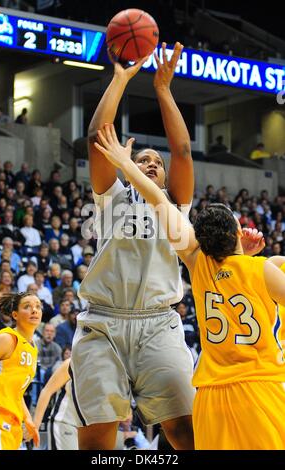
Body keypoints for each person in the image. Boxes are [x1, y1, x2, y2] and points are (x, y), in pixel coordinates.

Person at [95, 123, 285, 450]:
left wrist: (126, 165)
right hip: (260, 387)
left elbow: (157, 201)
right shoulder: (264, 269)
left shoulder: (198, 266)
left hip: (212, 394)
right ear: (238, 234)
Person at [70, 42, 195, 450]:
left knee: (186, 432)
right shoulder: (112, 197)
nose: (152, 162)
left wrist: (163, 88)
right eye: (142, 159)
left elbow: (182, 150)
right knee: (98, 440)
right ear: (127, 166)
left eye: (156, 162)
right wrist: (121, 77)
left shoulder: (175, 203)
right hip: (102, 322)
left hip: (158, 323)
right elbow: (95, 138)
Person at [0, 292, 42, 450]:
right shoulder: (7, 339)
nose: (34, 310)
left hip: (12, 422)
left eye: (38, 306)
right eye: (27, 307)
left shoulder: (32, 348)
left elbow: (15, 391)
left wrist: (28, 418)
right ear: (15, 315)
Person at [33, 358, 78, 450]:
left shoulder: (107, 368)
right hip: (65, 423)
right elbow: (47, 391)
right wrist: (35, 425)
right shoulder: (72, 363)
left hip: (88, 428)